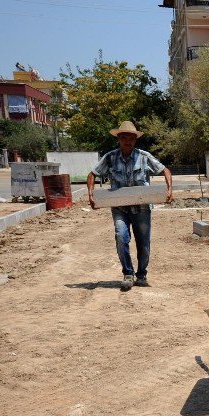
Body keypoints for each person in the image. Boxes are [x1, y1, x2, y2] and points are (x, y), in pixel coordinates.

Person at [87, 121, 173, 291]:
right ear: (119, 139)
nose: (128, 141)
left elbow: (165, 170)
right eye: (124, 138)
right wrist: (91, 192)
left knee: (143, 243)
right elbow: (92, 174)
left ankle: (141, 275)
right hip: (119, 209)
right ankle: (128, 274)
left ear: (135, 140)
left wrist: (169, 189)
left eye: (131, 138)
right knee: (121, 236)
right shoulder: (110, 158)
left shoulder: (144, 156)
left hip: (141, 209)